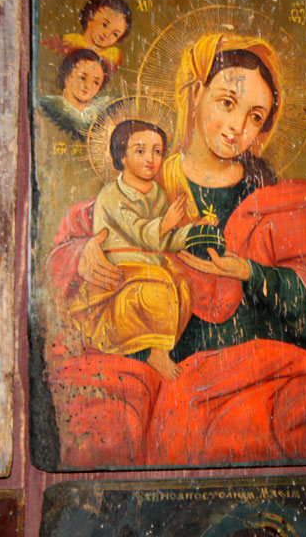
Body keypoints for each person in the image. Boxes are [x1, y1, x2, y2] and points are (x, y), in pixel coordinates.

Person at [44, 34, 306, 467]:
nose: (237, 126)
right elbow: (69, 254)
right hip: (166, 374)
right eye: (227, 102)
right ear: (195, 93)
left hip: (267, 376)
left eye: (254, 116)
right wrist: (86, 256)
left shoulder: (279, 203)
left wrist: (253, 273)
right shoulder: (142, 188)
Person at [69, 120, 208, 383]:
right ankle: (156, 354)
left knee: (182, 284)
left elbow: (162, 242)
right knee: (158, 286)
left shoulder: (158, 195)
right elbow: (138, 231)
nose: (151, 159)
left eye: (157, 151)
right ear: (122, 156)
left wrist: (193, 233)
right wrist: (165, 223)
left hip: (150, 265)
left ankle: (161, 346)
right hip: (121, 270)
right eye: (141, 151)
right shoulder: (111, 195)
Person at [43, 0, 132, 75]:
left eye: (115, 34)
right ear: (89, 17)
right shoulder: (70, 42)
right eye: (104, 25)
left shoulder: (111, 57)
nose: (107, 34)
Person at [38, 49, 110, 139]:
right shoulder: (45, 108)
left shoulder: (102, 117)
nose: (88, 86)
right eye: (83, 78)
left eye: (96, 82)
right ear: (67, 76)